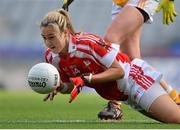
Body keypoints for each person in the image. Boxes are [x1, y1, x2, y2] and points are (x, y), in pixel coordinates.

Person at [40, 9, 180, 123]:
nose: (48, 43)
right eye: (44, 38)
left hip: (134, 81)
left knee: (175, 118)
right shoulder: (51, 57)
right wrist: (60, 87)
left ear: (65, 33)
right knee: (170, 120)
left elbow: (118, 71)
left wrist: (87, 79)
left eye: (52, 37)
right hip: (125, 97)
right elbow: (70, 85)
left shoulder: (87, 44)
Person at [98, 0, 178, 120]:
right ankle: (175, 97)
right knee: (132, 61)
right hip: (119, 3)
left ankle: (115, 104)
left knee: (110, 41)